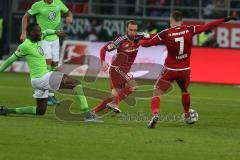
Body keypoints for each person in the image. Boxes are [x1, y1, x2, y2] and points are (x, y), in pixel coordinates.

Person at [140, 11, 237, 128]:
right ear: (181, 20)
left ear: (171, 20)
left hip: (170, 70)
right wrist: (224, 19)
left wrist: (137, 41)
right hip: (184, 70)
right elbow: (208, 26)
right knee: (185, 91)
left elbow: (147, 44)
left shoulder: (165, 33)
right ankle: (186, 115)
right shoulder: (190, 29)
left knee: (157, 92)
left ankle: (155, 114)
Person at [0, 23, 98, 122]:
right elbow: (9, 61)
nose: (40, 33)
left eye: (40, 30)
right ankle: (87, 114)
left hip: (37, 80)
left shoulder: (39, 37)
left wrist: (55, 32)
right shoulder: (25, 45)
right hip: (43, 77)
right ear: (31, 33)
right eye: (38, 31)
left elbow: (46, 32)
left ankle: (7, 111)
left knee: (40, 111)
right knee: (76, 84)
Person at [92, 20, 155, 115]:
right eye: (131, 30)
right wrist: (103, 62)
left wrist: (168, 35)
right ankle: (114, 104)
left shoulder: (140, 36)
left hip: (123, 70)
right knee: (133, 85)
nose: (133, 32)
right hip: (117, 68)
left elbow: (154, 36)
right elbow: (103, 49)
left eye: (135, 30)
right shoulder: (120, 40)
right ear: (126, 29)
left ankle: (92, 113)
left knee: (114, 95)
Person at [20, 0, 73, 105]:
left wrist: (69, 17)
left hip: (55, 38)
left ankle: (50, 94)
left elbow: (68, 12)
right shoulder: (37, 5)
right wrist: (23, 33)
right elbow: (25, 17)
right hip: (43, 38)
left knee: (55, 65)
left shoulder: (58, 3)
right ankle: (46, 94)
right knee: (47, 63)